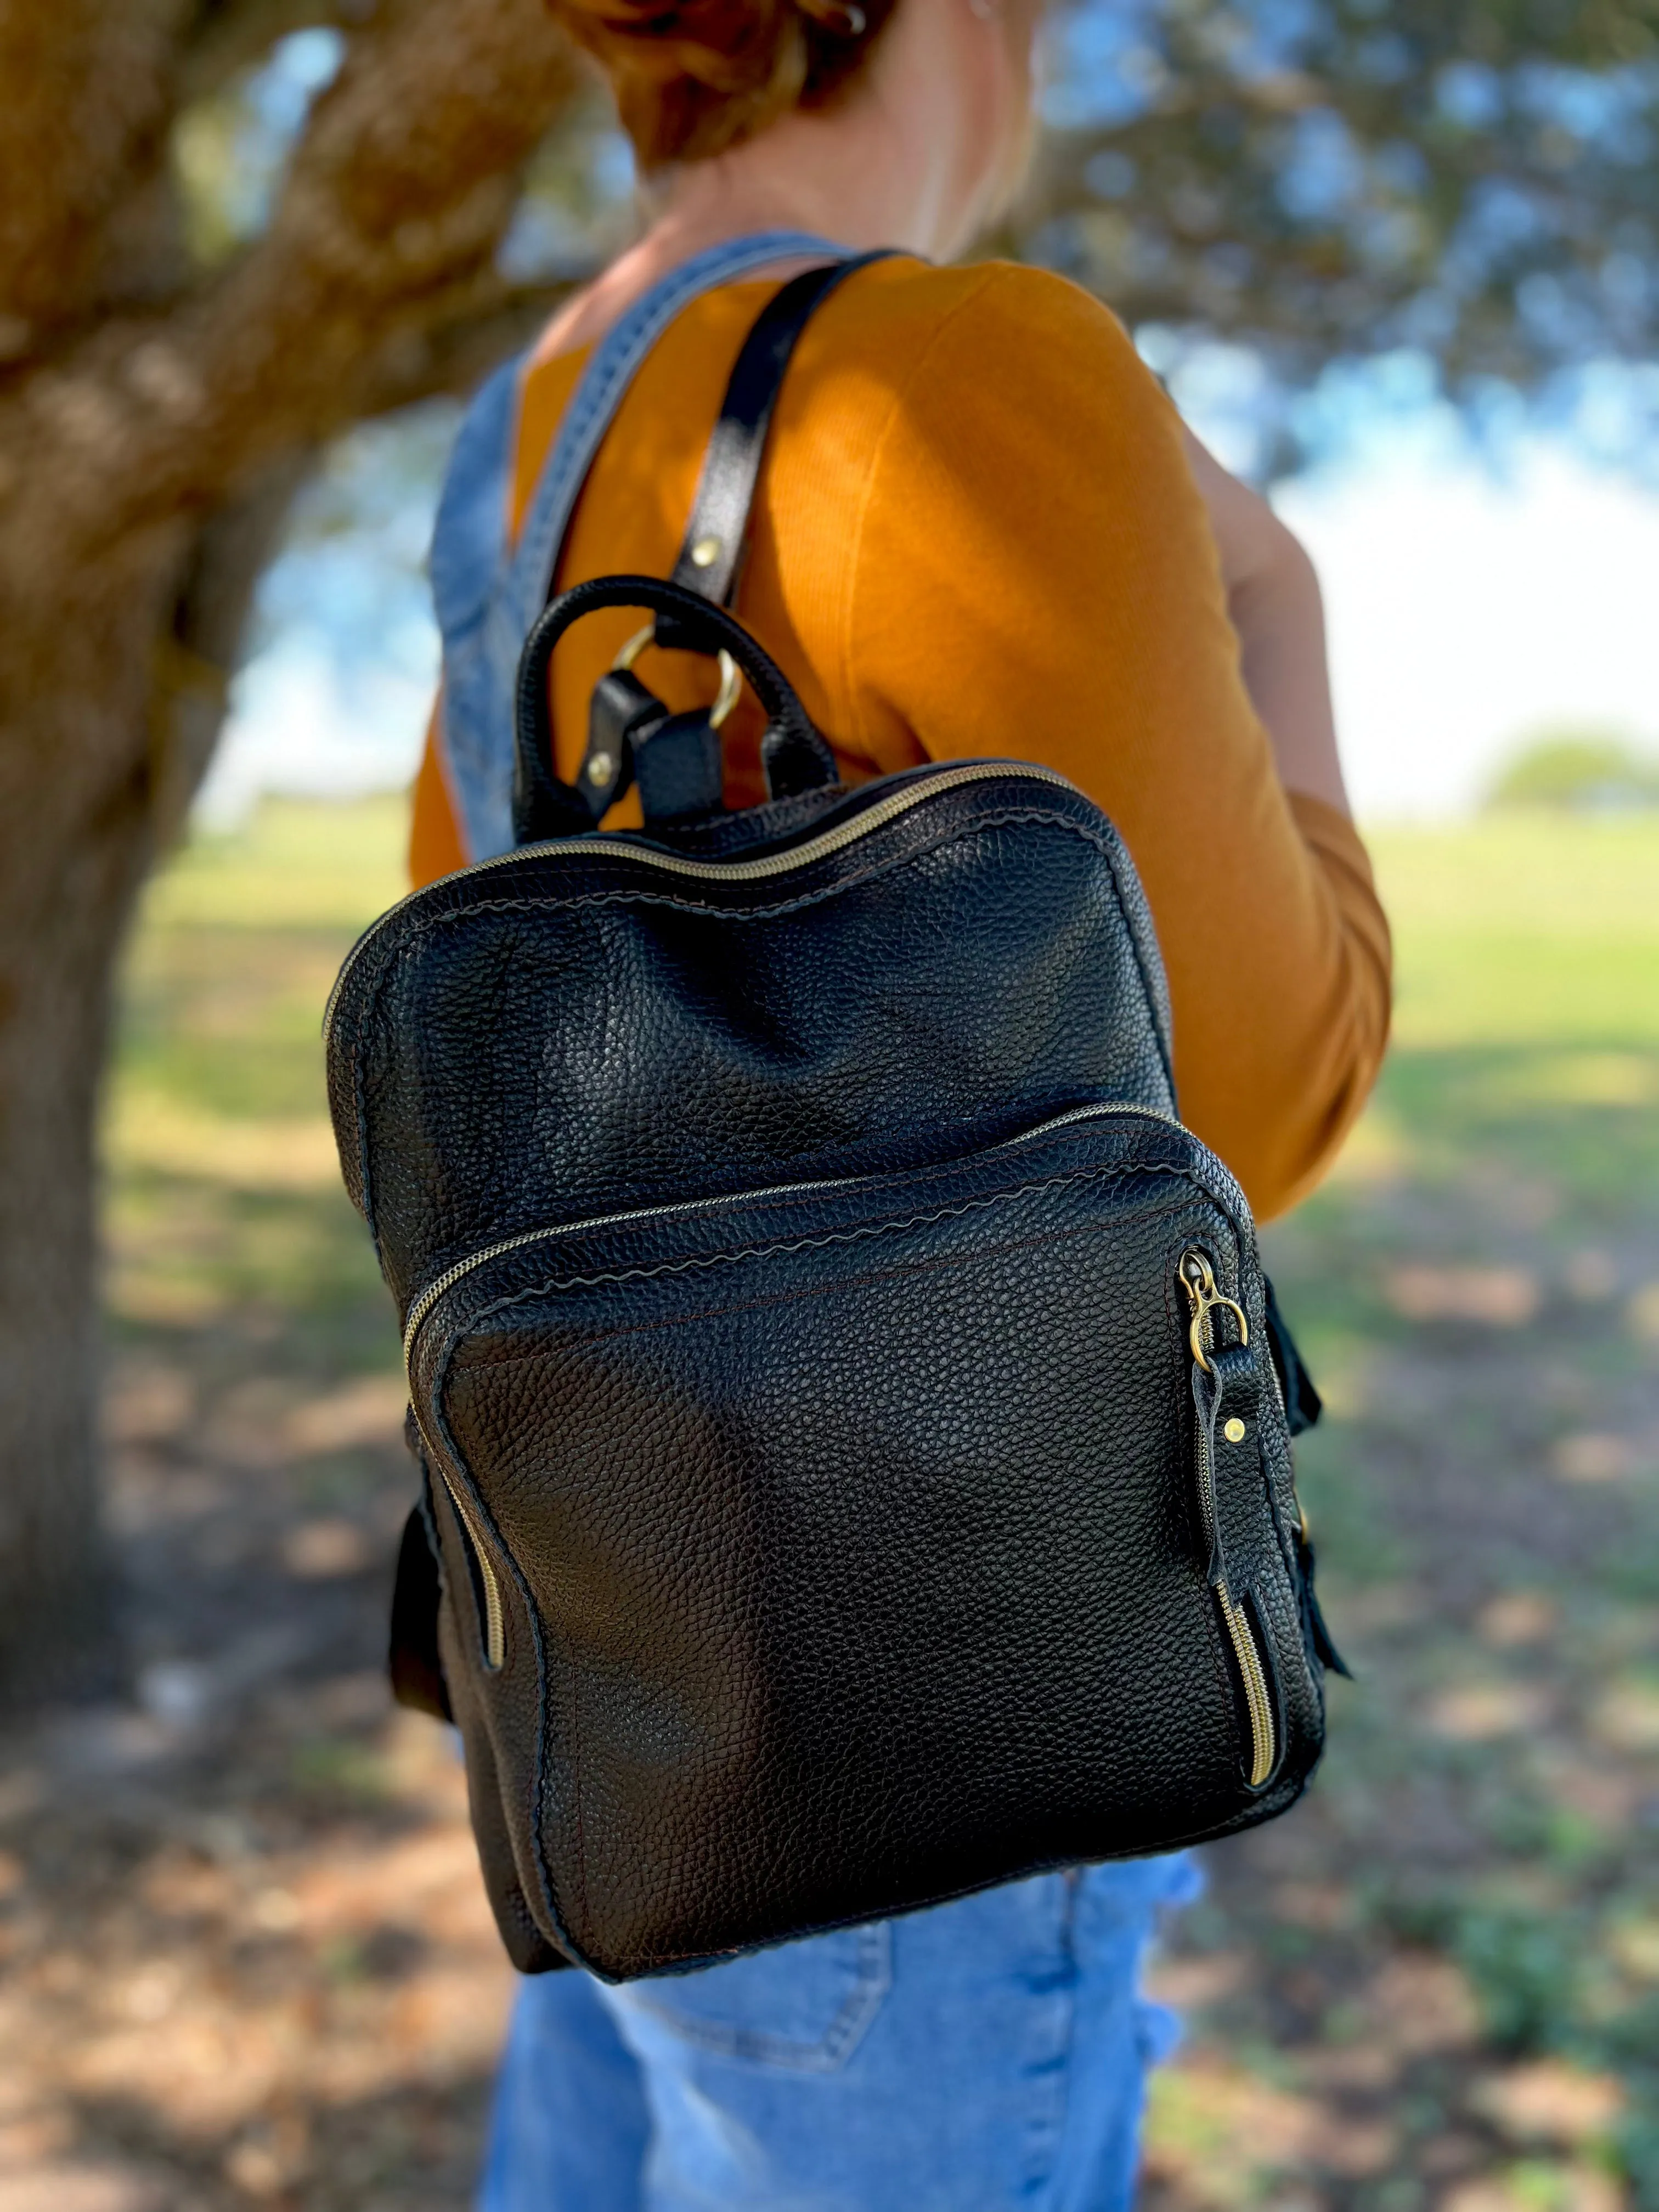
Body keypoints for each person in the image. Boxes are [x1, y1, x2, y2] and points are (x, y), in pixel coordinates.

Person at [408, 1, 1393, 2204]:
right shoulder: (965, 371)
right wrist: (1283, 603)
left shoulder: (522, 430)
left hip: (598, 1662)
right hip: (927, 1696)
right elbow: (1252, 1103)